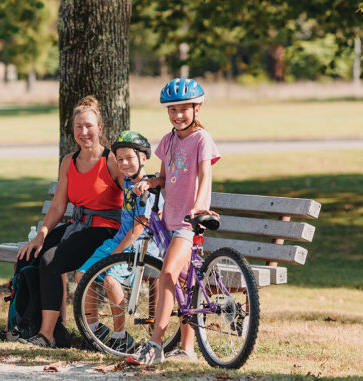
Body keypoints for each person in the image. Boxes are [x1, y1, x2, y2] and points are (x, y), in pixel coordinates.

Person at [15, 96, 124, 348]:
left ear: (100, 129)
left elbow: (131, 196)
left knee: (50, 261)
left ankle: (47, 334)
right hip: (77, 227)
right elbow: (57, 206)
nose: (83, 132)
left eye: (88, 126)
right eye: (78, 127)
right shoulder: (69, 161)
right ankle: (35, 324)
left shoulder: (111, 161)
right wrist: (41, 234)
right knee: (29, 255)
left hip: (104, 231)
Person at [127, 78, 220, 365]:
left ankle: (155, 344)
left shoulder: (202, 140)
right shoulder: (167, 141)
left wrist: (199, 207)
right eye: (172, 110)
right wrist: (149, 182)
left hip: (189, 221)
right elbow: (165, 178)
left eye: (183, 109)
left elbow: (205, 177)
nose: (178, 115)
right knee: (182, 281)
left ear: (197, 108)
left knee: (167, 272)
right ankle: (187, 347)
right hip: (168, 218)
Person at [76, 130, 163, 353]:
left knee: (111, 281)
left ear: (143, 158)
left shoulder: (148, 188)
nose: (124, 163)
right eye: (120, 159)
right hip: (118, 240)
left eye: (129, 158)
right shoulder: (126, 179)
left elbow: (138, 229)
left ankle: (120, 336)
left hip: (140, 245)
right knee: (81, 274)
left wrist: (116, 254)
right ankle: (95, 330)